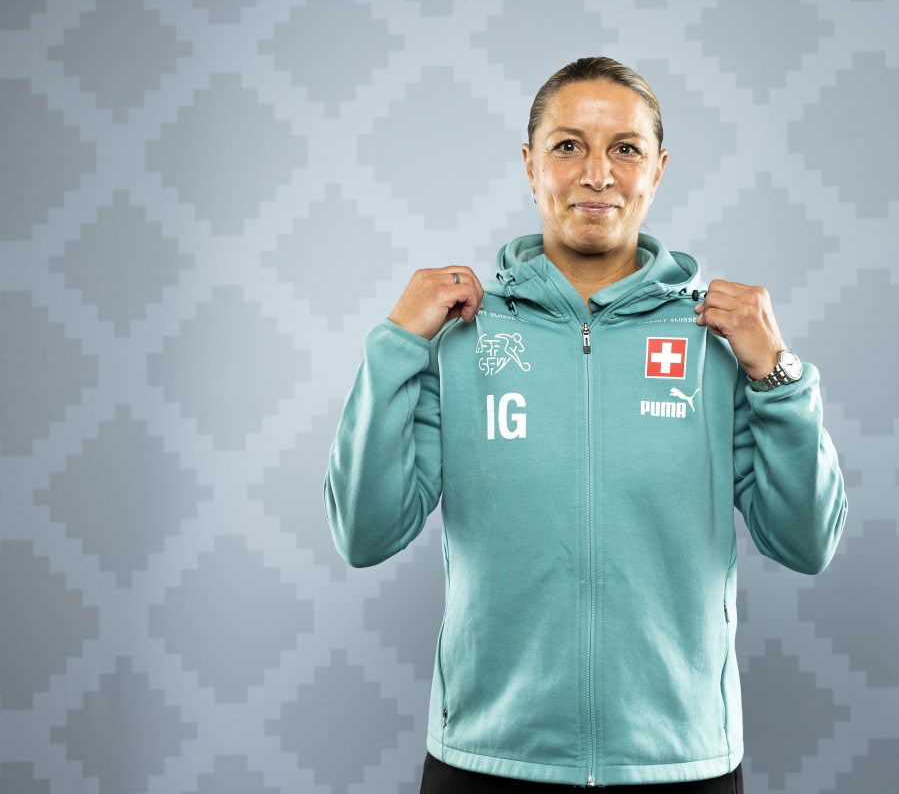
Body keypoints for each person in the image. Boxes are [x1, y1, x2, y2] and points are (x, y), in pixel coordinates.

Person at [324, 57, 848, 792]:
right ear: (529, 164)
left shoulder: (719, 345)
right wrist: (397, 345)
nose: (597, 174)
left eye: (625, 148)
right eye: (568, 145)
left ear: (657, 169)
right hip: (487, 758)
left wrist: (779, 375)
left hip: (680, 763)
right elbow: (364, 532)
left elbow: (806, 542)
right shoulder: (462, 340)